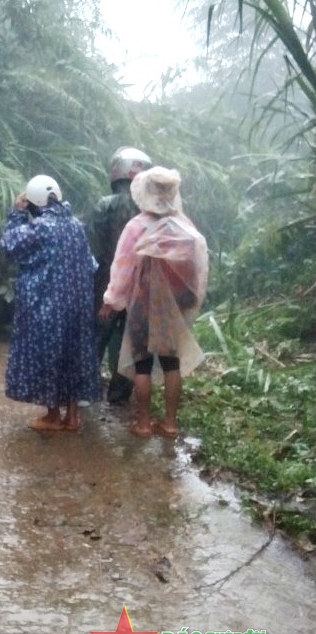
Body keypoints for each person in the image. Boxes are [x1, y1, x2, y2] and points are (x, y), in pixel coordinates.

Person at [100, 166, 208, 439]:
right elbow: (197, 269)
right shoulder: (185, 226)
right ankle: (170, 423)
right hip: (174, 306)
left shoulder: (136, 226)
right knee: (172, 364)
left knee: (142, 365)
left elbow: (122, 268)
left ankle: (144, 423)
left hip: (143, 305)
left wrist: (112, 300)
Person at [0, 174, 100, 431]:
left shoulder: (41, 227)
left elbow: (9, 244)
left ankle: (53, 416)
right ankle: (73, 416)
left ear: (34, 202)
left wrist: (17, 213)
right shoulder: (76, 226)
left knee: (49, 358)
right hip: (78, 308)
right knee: (74, 358)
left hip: (47, 307)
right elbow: (91, 264)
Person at [88, 146, 152, 404]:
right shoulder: (152, 211)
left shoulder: (104, 205)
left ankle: (87, 388)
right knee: (129, 339)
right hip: (141, 287)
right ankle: (118, 394)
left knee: (96, 336)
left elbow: (92, 248)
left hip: (106, 282)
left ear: (117, 172)